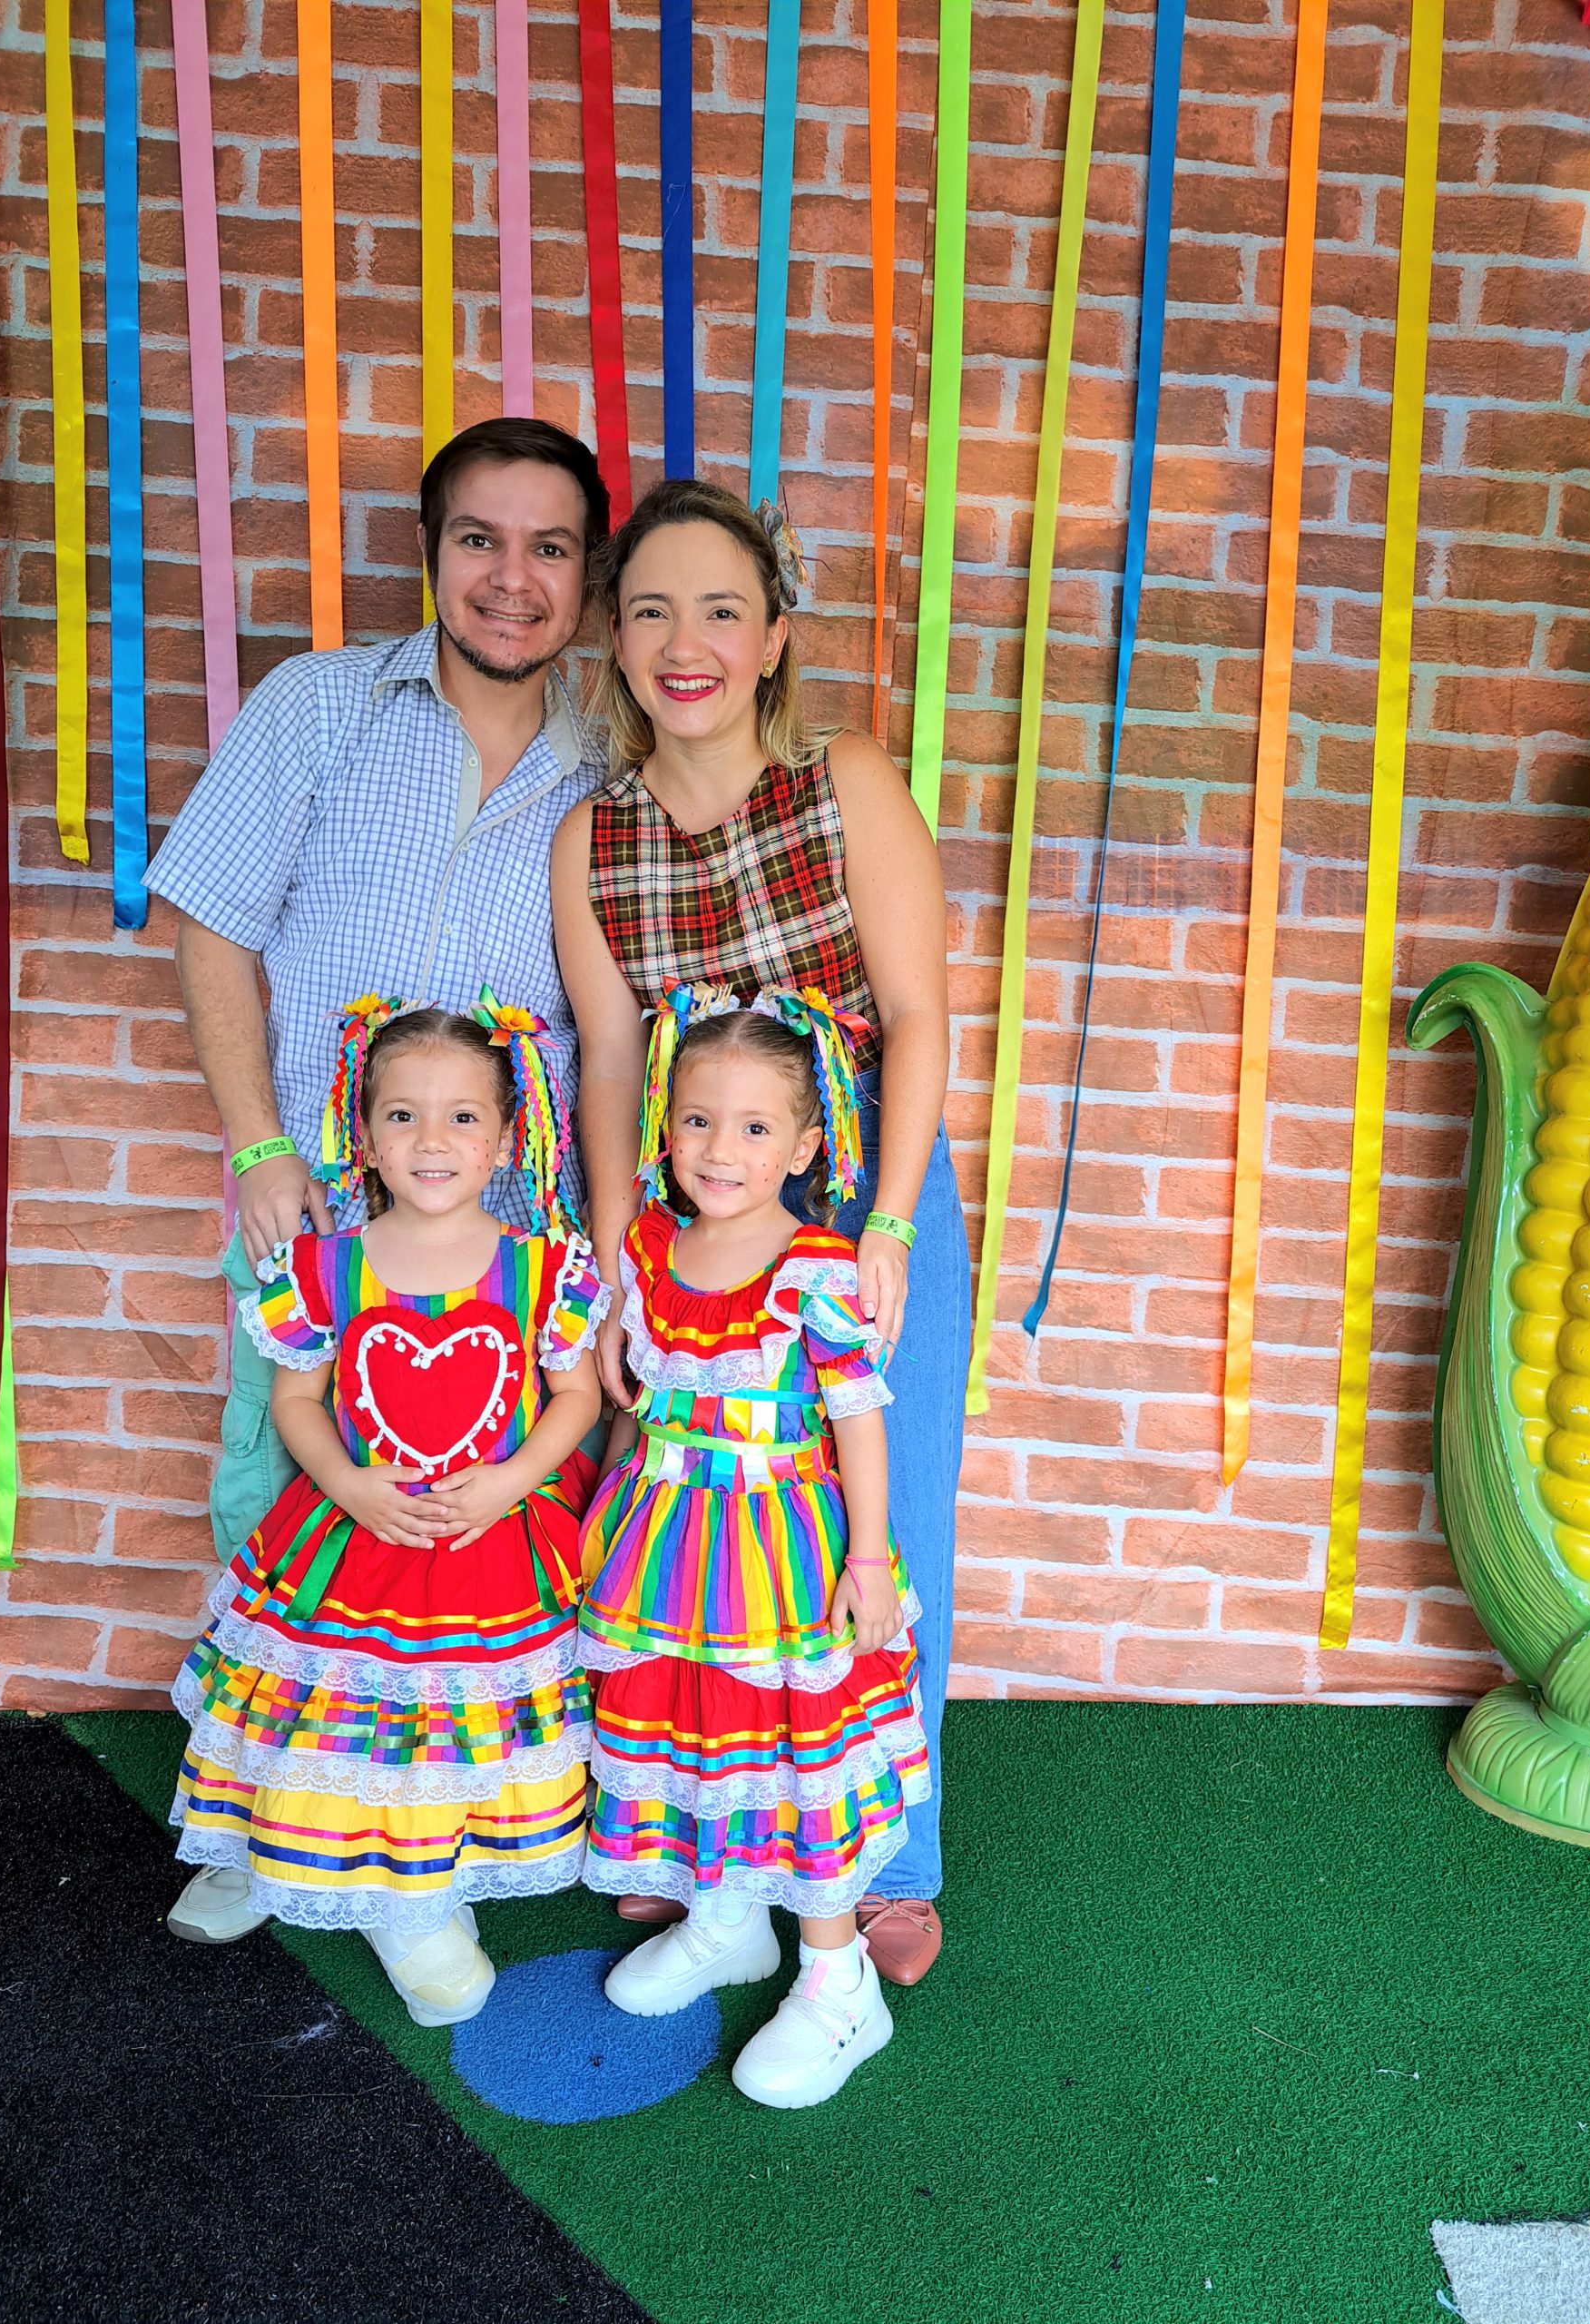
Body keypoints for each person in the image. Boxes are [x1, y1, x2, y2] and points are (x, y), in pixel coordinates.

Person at [550, 479, 963, 1986]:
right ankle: (704, 1845)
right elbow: (610, 1063)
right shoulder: (592, 836)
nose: (687, 643)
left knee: (882, 1515)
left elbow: (916, 1012)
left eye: (722, 610)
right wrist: (616, 1264)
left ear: (775, 634)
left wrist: (892, 1222)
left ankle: (887, 1861)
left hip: (857, 1176)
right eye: (652, 609)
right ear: (614, 636)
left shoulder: (842, 778)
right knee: (697, 1539)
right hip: (694, 1206)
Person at [145, 416, 610, 1633]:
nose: (512, 580)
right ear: (427, 547)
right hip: (320, 1217)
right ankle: (280, 1749)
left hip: (517, 1248)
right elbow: (213, 925)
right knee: (280, 1512)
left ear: (589, 573)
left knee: (510, 1559)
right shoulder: (317, 706)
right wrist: (260, 1149)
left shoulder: (616, 762)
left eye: (550, 548)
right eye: (480, 540)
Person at [166, 996, 607, 2021]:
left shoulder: (546, 1267)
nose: (432, 1140)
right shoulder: (325, 1267)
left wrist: (512, 1479)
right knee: (346, 1714)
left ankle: (428, 1888)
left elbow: (578, 1396)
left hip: (497, 1537)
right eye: (402, 1115)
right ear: (363, 1134)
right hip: (357, 1536)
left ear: (507, 1137)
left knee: (460, 1717)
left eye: (463, 1116)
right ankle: (342, 1877)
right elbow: (296, 1399)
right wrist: (350, 1483)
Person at [579, 987, 928, 2107]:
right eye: (697, 1120)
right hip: (663, 1548)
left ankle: (839, 1982)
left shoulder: (816, 1268)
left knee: (794, 1752)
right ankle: (728, 1917)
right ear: (666, 1125)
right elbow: (638, 1402)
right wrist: (607, 1511)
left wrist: (866, 1561)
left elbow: (860, 1420)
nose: (719, 1150)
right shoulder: (647, 1246)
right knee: (692, 1728)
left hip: (782, 1556)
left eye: (755, 1126)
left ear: (807, 1145)